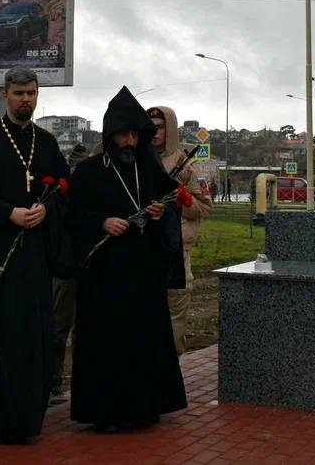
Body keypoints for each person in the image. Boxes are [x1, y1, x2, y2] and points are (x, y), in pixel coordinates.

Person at [0, 66, 70, 443]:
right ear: (5, 95)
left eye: (32, 93)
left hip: (36, 255)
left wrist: (45, 209)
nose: (26, 99)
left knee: (35, 331)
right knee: (1, 330)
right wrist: (9, 212)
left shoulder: (47, 143)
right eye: (19, 93)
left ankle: (31, 414)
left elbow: (63, 190)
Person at [69, 87, 187, 431]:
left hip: (143, 272)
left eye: (135, 135)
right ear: (110, 135)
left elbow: (170, 205)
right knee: (106, 342)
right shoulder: (88, 171)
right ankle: (105, 413)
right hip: (104, 275)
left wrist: (161, 211)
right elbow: (73, 216)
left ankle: (146, 407)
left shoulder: (148, 168)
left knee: (144, 340)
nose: (130, 142)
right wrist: (102, 222)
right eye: (123, 134)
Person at [149, 106, 213, 354]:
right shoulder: (137, 160)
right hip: (142, 247)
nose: (154, 132)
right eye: (150, 126)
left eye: (160, 127)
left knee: (174, 311)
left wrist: (183, 200)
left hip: (175, 251)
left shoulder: (188, 166)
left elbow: (204, 207)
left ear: (171, 130)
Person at [49, 142, 91, 405]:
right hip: (65, 266)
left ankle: (77, 382)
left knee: (79, 327)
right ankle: (54, 382)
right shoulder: (61, 195)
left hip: (84, 265)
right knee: (59, 325)